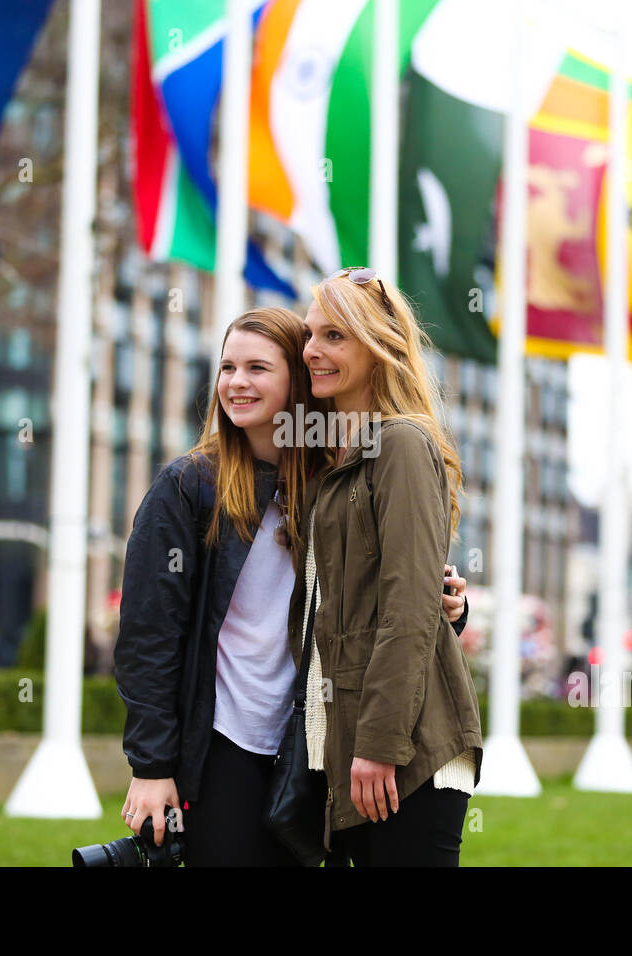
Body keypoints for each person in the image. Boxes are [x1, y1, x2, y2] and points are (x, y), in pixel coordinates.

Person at [113, 307, 469, 867]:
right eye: (227, 367)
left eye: (257, 367)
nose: (236, 382)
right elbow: (147, 637)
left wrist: (449, 602)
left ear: (297, 383)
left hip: (313, 748)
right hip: (225, 745)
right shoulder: (187, 487)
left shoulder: (338, 479)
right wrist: (151, 766)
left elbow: (389, 596)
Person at [290, 267, 483, 867]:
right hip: (361, 749)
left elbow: (406, 606)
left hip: (406, 754)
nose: (311, 351)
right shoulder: (340, 454)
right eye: (309, 334)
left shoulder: (399, 443)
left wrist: (379, 744)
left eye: (334, 337)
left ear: (379, 349)